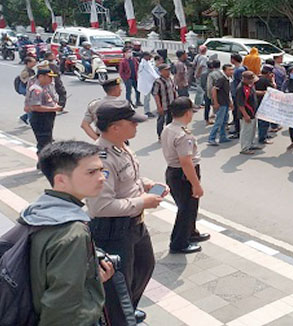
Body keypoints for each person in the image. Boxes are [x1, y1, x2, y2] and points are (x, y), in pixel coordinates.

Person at [87, 99, 167, 326]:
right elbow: (100, 207)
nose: (136, 126)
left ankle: (128, 309)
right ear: (114, 127)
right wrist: (142, 202)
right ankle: (117, 318)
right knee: (117, 285)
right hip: (113, 230)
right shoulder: (100, 159)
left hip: (134, 225)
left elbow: (129, 181)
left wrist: (147, 184)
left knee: (145, 266)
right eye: (131, 122)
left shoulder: (122, 146)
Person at [24, 140, 114, 325]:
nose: (102, 178)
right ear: (61, 180)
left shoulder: (37, 211)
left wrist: (91, 277)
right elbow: (61, 307)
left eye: (101, 170)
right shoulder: (72, 233)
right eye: (91, 172)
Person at [161, 97, 209, 254]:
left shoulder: (169, 128)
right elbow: (186, 162)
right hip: (184, 175)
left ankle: (190, 233)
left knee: (190, 207)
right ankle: (179, 243)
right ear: (188, 113)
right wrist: (196, 184)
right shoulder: (183, 135)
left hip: (174, 172)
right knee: (186, 209)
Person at [25, 66, 62, 156]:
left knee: (48, 140)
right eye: (49, 77)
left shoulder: (46, 86)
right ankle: (43, 163)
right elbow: (36, 107)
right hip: (40, 117)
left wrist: (55, 105)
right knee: (43, 142)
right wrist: (54, 109)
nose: (51, 79)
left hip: (47, 116)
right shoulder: (36, 89)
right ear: (41, 76)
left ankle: (44, 162)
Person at [207, 64, 234, 146]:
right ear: (225, 71)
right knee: (218, 121)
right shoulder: (221, 79)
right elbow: (214, 90)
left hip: (225, 103)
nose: (231, 72)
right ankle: (211, 138)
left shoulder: (228, 79)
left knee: (224, 121)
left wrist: (230, 102)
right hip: (221, 103)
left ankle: (223, 137)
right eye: (229, 70)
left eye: (232, 70)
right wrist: (215, 102)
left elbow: (226, 93)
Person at [236, 71, 259, 155]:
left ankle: (251, 144)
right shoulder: (241, 88)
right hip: (246, 113)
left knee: (252, 130)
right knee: (246, 131)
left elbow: (253, 94)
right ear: (245, 79)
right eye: (250, 79)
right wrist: (245, 115)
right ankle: (245, 148)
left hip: (253, 112)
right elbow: (240, 104)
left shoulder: (250, 86)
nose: (252, 81)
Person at [153, 63, 178, 138]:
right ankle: (160, 135)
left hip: (171, 103)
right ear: (161, 71)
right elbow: (156, 94)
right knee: (161, 120)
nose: (168, 72)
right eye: (166, 70)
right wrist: (159, 106)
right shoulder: (158, 82)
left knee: (170, 120)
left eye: (169, 70)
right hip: (163, 104)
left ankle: (168, 134)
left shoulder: (170, 79)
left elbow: (174, 90)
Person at [230, 54, 247, 139]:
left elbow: (241, 82)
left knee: (237, 112)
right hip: (234, 93)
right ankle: (237, 129)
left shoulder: (239, 70)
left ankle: (238, 131)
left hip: (237, 94)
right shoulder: (237, 69)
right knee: (235, 112)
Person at [137, 51, 158, 118]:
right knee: (147, 98)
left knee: (156, 96)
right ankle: (147, 111)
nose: (150, 57)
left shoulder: (148, 63)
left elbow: (153, 72)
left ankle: (158, 108)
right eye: (149, 56)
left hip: (151, 82)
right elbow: (149, 73)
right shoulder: (143, 64)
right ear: (145, 56)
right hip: (146, 83)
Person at [18, 57, 37, 125]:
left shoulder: (31, 70)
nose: (35, 63)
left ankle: (24, 118)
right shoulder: (25, 72)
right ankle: (30, 119)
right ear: (28, 63)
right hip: (27, 90)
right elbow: (25, 81)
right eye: (33, 62)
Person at [203, 59, 222, 125]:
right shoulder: (222, 73)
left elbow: (209, 86)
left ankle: (208, 120)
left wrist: (210, 96)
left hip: (210, 93)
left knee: (207, 106)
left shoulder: (210, 74)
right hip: (220, 94)